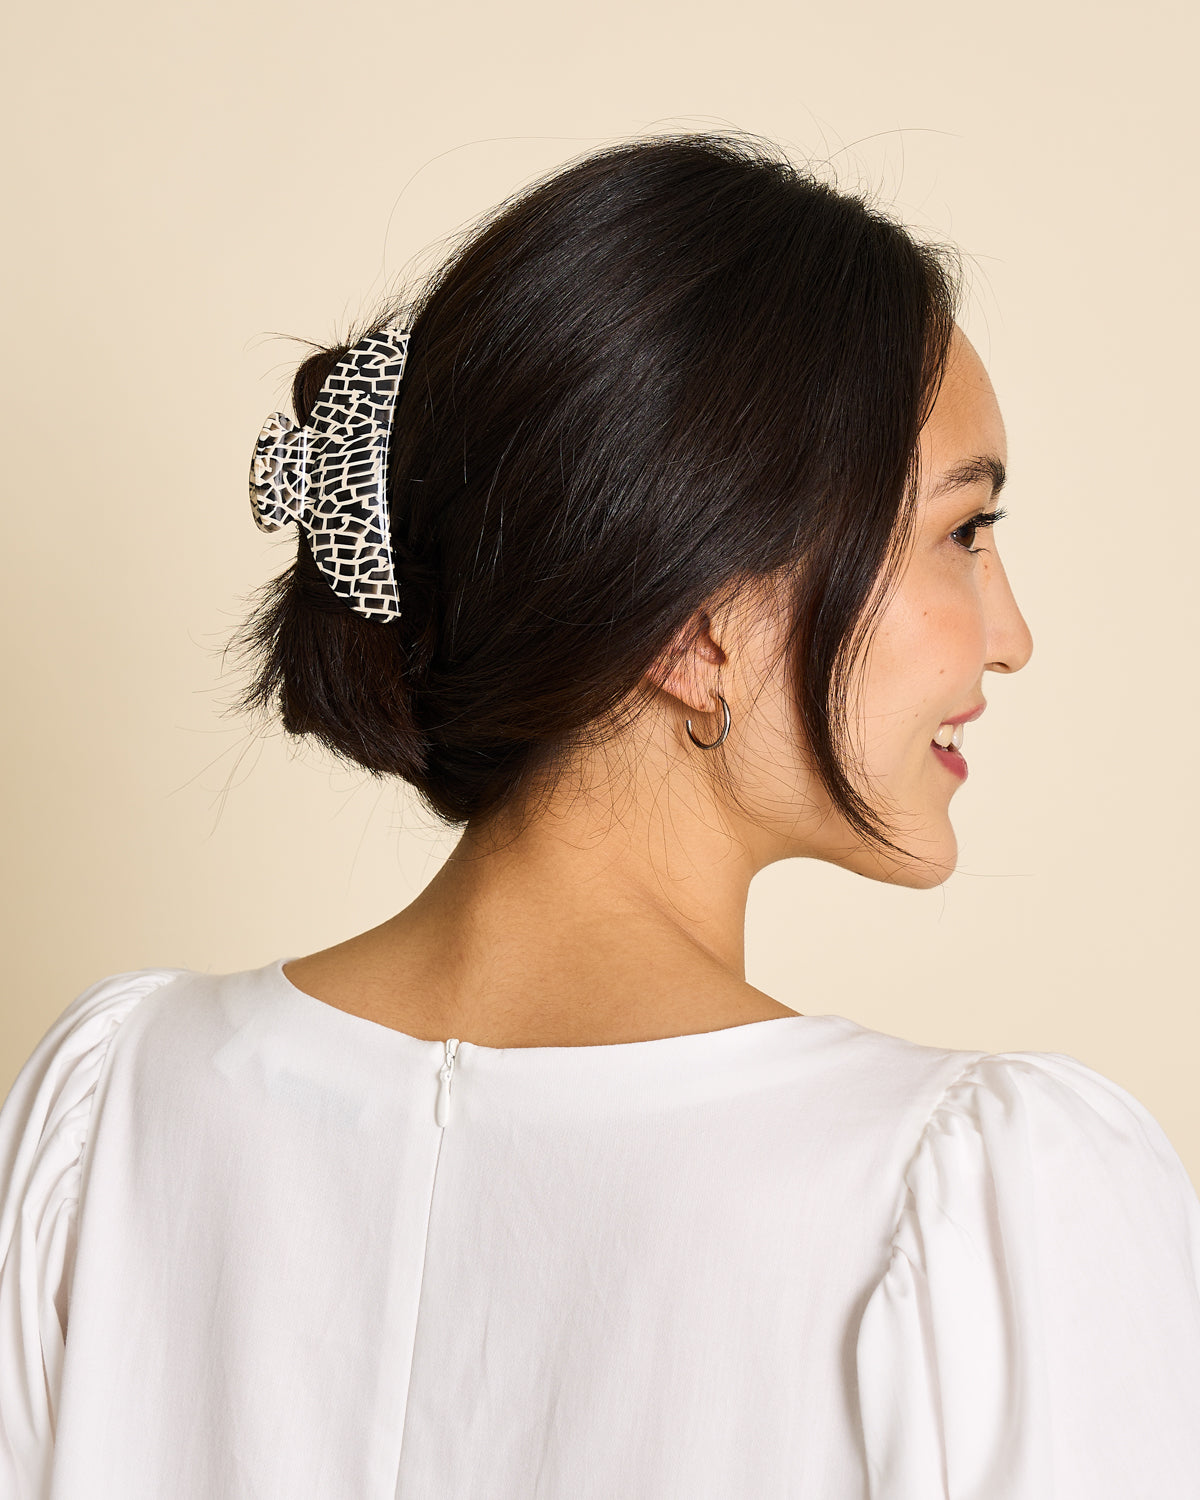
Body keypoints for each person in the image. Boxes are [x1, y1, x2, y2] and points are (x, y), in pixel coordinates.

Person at [1, 131, 1198, 1499]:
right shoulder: (972, 1200)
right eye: (961, 533)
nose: (1012, 636)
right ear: (698, 624)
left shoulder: (109, 1110)